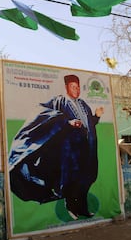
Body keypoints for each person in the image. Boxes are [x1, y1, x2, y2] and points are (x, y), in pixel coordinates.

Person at [8, 74, 104, 220]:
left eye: (78, 87)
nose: (76, 89)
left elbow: (90, 124)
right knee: (71, 181)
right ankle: (72, 207)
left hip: (87, 150)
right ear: (66, 87)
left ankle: (83, 208)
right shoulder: (59, 102)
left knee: (86, 179)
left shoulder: (83, 105)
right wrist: (67, 122)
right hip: (69, 152)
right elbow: (43, 114)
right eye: (73, 86)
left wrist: (96, 116)